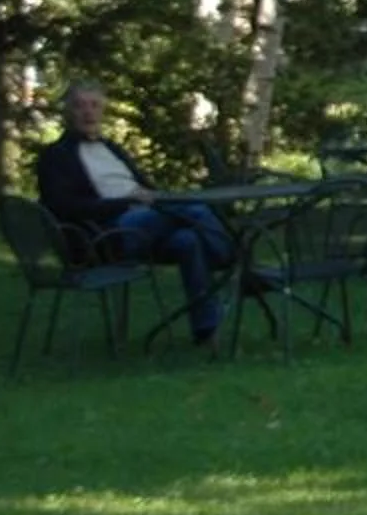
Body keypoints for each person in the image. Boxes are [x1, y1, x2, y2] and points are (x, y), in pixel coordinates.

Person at [34, 80, 238, 347]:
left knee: (189, 240)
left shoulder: (113, 149)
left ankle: (205, 329)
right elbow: (64, 207)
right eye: (80, 106)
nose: (88, 112)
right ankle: (235, 262)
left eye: (94, 105)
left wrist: (151, 199)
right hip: (107, 234)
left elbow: (145, 188)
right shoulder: (56, 156)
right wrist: (124, 202)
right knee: (195, 208)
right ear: (68, 112)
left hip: (144, 221)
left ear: (103, 111)